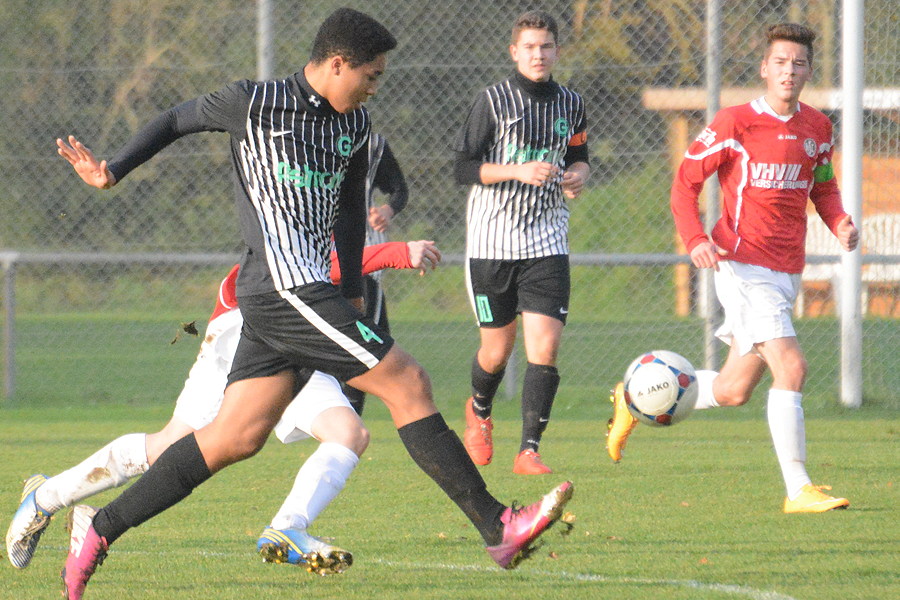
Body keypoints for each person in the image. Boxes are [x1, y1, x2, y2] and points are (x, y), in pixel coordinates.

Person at [53, 9, 573, 598]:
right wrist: (113, 170)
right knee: (408, 382)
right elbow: (176, 119)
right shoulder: (253, 103)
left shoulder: (356, 124)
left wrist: (351, 294)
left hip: (304, 293)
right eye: (371, 75)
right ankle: (498, 527)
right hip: (282, 289)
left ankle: (98, 529)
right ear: (338, 64)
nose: (375, 86)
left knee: (233, 438)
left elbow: (350, 211)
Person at [5, 240, 440, 576]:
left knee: (349, 434)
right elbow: (316, 265)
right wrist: (397, 252)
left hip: (297, 340)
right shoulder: (286, 224)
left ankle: (288, 528)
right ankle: (45, 497)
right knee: (168, 447)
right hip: (242, 331)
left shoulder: (331, 208)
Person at [606, 23, 858, 514]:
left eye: (798, 63)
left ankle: (634, 397)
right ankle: (798, 488)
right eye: (780, 62)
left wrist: (841, 222)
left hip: (785, 270)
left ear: (809, 71)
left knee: (733, 389)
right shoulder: (735, 122)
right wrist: (696, 239)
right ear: (764, 68)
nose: (789, 71)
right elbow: (684, 184)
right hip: (742, 265)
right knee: (792, 367)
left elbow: (824, 188)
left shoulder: (817, 128)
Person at [452, 10, 590, 475]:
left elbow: (580, 155)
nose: (538, 54)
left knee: (544, 349)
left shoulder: (571, 103)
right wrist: (517, 170)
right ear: (514, 52)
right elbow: (463, 169)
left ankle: (529, 450)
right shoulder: (492, 101)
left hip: (546, 241)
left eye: (546, 46)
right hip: (492, 243)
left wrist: (578, 176)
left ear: (557, 51)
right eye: (529, 47)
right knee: (496, 352)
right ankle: (479, 410)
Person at [342, 132, 409, 415]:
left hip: (363, 257)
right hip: (313, 257)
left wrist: (387, 210)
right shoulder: (299, 135)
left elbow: (399, 190)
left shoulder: (371, 144)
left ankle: (349, 421)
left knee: (370, 347)